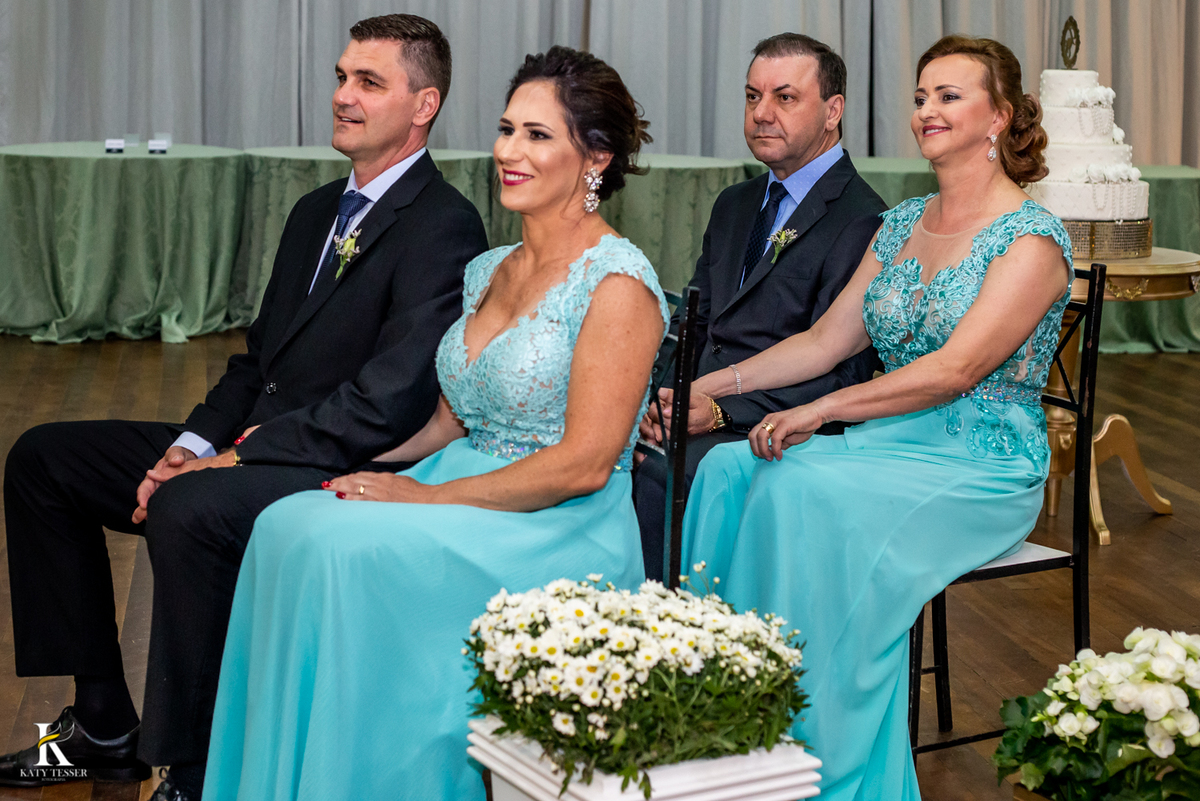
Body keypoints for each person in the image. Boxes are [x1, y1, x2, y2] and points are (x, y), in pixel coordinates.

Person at [0, 14, 487, 800]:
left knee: (190, 507)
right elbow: (256, 361)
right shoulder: (314, 212)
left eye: (369, 82)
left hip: (337, 458)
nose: (343, 96)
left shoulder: (444, 225)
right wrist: (192, 441)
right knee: (43, 459)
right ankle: (103, 723)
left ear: (423, 104)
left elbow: (388, 400)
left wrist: (237, 456)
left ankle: (195, 771)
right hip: (247, 445)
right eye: (340, 77)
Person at [200, 46, 665, 801]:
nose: (509, 152)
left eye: (538, 135)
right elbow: (450, 417)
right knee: (292, 524)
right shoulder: (489, 270)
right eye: (507, 128)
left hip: (557, 519)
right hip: (461, 478)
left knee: (343, 555)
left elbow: (585, 461)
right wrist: (358, 466)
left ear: (596, 159)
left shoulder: (618, 283)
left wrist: (420, 499)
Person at [679, 35, 1069, 800]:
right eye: (921, 95)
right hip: (897, 440)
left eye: (950, 95)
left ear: (1002, 116)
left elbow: (953, 371)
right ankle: (719, 726)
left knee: (803, 491)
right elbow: (825, 340)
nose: (927, 109)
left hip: (984, 458)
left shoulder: (1031, 239)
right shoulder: (902, 224)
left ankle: (820, 753)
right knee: (729, 465)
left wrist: (816, 409)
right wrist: (711, 386)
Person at [633, 33, 886, 582]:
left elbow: (844, 368)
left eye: (785, 98)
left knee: (656, 476)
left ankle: (677, 647)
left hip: (779, 429)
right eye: (752, 97)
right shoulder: (735, 203)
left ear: (832, 111)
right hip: (696, 411)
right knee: (603, 456)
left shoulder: (862, 219)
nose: (762, 114)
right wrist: (663, 399)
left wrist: (721, 412)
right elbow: (692, 324)